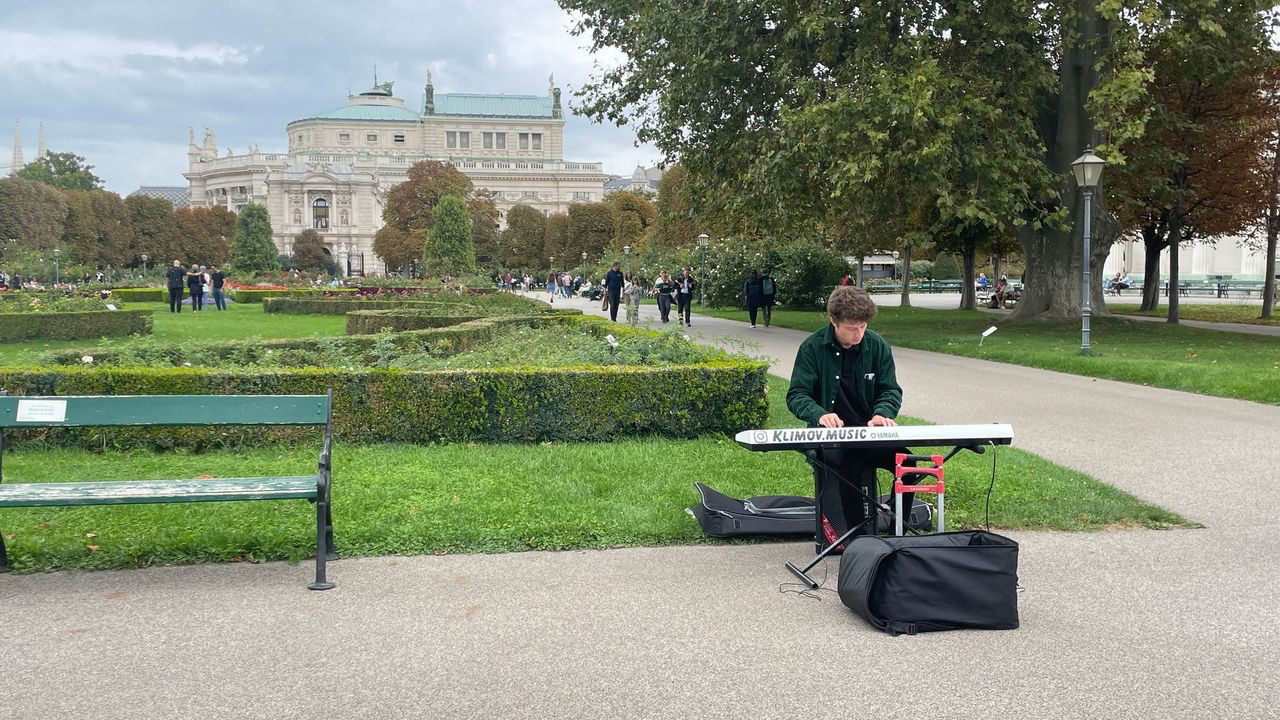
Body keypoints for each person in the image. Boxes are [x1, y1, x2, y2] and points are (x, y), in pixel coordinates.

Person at [786, 286, 914, 547]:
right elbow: (797, 395)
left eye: (863, 327)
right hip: (831, 439)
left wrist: (882, 413)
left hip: (870, 434)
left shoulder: (877, 345)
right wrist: (820, 414)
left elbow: (890, 390)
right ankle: (859, 543)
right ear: (833, 321)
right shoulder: (812, 347)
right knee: (847, 470)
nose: (859, 334)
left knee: (910, 465)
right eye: (851, 328)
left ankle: (898, 533)